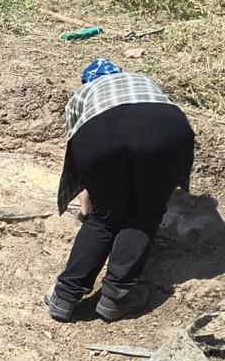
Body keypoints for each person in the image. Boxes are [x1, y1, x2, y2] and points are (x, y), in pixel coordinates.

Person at [45, 59, 195, 323]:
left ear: (87, 81)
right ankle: (116, 297)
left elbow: (82, 168)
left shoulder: (83, 96)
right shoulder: (142, 80)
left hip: (99, 136)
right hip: (165, 131)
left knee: (105, 217)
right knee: (144, 214)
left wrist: (90, 213)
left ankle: (65, 296)